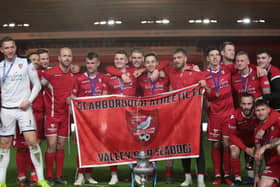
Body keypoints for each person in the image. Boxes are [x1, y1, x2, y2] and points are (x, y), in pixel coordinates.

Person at [0, 36, 49, 187]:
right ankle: (1, 181)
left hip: (24, 109)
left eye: (12, 47)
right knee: (4, 145)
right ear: (2, 50)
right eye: (6, 48)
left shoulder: (25, 62)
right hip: (6, 110)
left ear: (15, 48)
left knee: (32, 142)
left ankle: (41, 179)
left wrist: (29, 100)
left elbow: (37, 85)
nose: (9, 50)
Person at [153, 48, 206, 187]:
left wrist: (203, 84)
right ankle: (187, 176)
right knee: (184, 147)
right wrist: (160, 67)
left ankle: (200, 179)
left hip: (195, 116)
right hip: (179, 117)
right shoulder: (171, 71)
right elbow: (164, 62)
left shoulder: (196, 72)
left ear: (186, 59)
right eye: (174, 58)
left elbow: (205, 87)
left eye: (179, 58)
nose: (176, 60)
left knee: (198, 147)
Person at [71, 52, 107, 185]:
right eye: (87, 63)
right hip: (83, 120)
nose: (90, 66)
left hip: (97, 120)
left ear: (98, 63)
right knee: (82, 147)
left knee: (92, 147)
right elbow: (73, 97)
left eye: (92, 63)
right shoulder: (79, 79)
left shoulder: (103, 78)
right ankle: (80, 175)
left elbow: (105, 97)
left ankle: (88, 175)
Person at [42, 47, 76, 186]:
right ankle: (49, 176)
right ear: (59, 58)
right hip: (51, 115)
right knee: (51, 145)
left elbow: (73, 92)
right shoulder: (50, 73)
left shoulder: (73, 76)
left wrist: (72, 98)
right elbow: (39, 88)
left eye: (69, 56)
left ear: (71, 58)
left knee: (60, 145)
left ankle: (59, 176)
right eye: (64, 56)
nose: (67, 58)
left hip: (65, 116)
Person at [13, 51, 46, 186]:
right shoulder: (19, 75)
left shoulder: (44, 75)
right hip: (23, 114)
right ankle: (21, 175)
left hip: (39, 114)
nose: (36, 62)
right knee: (22, 147)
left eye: (38, 59)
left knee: (36, 145)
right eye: (33, 59)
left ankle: (34, 175)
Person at [105, 50, 137, 185]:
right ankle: (114, 175)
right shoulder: (108, 75)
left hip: (131, 115)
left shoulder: (135, 73)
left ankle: (135, 174)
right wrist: (121, 74)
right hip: (114, 116)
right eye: (116, 59)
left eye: (121, 59)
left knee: (133, 145)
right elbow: (105, 95)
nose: (119, 61)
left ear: (127, 60)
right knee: (113, 146)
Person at [203, 47, 234, 186]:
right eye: (211, 55)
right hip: (214, 114)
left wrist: (257, 68)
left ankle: (227, 174)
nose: (215, 57)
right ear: (208, 59)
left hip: (228, 113)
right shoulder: (203, 75)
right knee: (215, 144)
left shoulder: (228, 69)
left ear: (220, 57)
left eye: (217, 55)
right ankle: (217, 175)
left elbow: (243, 63)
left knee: (226, 144)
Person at [228, 93, 257, 186]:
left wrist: (255, 146)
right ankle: (237, 178)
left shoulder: (258, 113)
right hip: (239, 139)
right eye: (244, 104)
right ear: (240, 104)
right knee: (234, 151)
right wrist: (245, 149)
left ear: (253, 104)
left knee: (256, 150)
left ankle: (251, 177)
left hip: (253, 140)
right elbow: (232, 136)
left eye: (249, 104)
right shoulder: (234, 115)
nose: (246, 107)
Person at [254, 99, 280, 187]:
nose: (260, 113)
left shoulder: (277, 120)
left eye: (263, 109)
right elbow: (258, 155)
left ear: (268, 110)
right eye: (258, 110)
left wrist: (265, 147)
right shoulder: (257, 131)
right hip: (273, 163)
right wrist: (257, 175)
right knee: (262, 185)